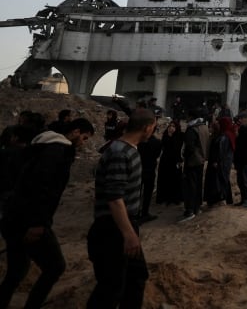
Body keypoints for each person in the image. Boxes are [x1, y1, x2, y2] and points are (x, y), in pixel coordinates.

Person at [0, 118, 94, 309]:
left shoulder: (41, 144)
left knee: (16, 271)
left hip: (13, 216)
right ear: (76, 132)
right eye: (84, 138)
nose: (83, 143)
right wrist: (38, 223)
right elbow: (43, 188)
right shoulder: (58, 151)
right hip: (30, 221)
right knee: (55, 267)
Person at [86, 109, 155, 309]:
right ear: (146, 127)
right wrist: (128, 233)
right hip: (113, 227)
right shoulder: (119, 152)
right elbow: (115, 197)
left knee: (136, 278)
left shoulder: (129, 149)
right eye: (153, 127)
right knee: (111, 286)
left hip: (123, 224)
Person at [179, 110, 209, 222]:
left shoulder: (192, 129)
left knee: (190, 185)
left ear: (190, 116)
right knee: (198, 184)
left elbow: (189, 147)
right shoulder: (204, 127)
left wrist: (184, 156)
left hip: (192, 161)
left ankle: (190, 210)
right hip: (201, 160)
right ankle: (197, 207)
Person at [137, 123, 162, 224]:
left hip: (138, 170)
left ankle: (135, 213)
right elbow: (157, 155)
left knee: (137, 193)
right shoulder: (157, 142)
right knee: (147, 194)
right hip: (150, 170)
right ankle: (145, 213)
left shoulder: (139, 141)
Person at [155, 120, 183, 205]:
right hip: (165, 160)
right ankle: (165, 197)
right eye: (170, 126)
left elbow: (176, 148)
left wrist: (171, 137)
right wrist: (169, 136)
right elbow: (164, 146)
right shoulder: (165, 135)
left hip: (175, 161)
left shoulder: (179, 136)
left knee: (175, 180)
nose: (171, 128)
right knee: (165, 179)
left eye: (174, 126)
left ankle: (175, 198)